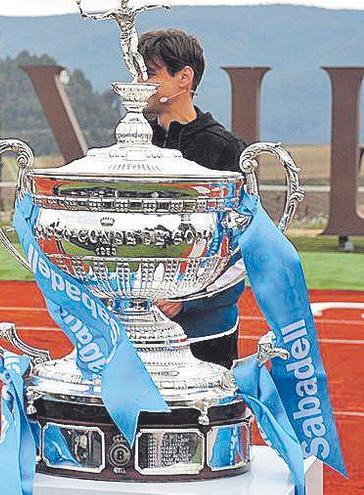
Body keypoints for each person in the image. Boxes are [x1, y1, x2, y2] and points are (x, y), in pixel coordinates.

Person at [139, 28, 247, 370]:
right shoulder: (130, 146)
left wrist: (186, 298)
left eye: (151, 74)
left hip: (206, 330)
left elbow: (244, 245)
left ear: (184, 77)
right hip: (135, 325)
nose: (142, 83)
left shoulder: (227, 149)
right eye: (138, 74)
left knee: (203, 421)